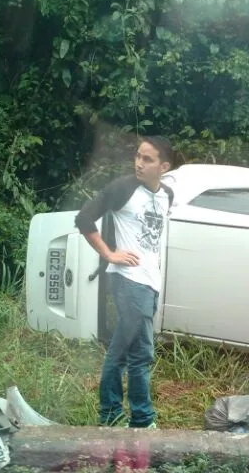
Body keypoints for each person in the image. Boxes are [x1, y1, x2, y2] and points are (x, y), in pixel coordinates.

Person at [75, 136, 175, 428]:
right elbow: (84, 218)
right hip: (128, 281)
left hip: (149, 283)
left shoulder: (167, 195)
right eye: (138, 156)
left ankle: (117, 415)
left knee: (128, 351)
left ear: (164, 166)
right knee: (138, 353)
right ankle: (137, 418)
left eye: (148, 159)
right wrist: (108, 253)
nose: (139, 163)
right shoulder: (123, 188)